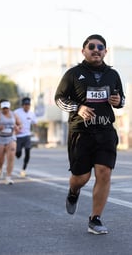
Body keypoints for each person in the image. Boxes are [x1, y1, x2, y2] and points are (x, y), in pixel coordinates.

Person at [54, 34, 125, 235]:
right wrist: (78, 108)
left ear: (105, 51)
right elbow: (59, 99)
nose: (96, 49)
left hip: (105, 131)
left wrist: (117, 100)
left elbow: (122, 100)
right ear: (83, 50)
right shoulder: (73, 74)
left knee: (104, 172)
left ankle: (95, 219)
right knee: (81, 177)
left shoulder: (113, 75)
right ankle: (73, 191)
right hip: (81, 133)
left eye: (100, 47)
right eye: (91, 46)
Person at [0, 99, 21, 185]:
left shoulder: (14, 115)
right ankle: (0, 168)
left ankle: (8, 177)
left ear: (9, 108)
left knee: (11, 158)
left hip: (11, 138)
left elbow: (20, 124)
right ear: (1, 108)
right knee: (0, 159)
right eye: (3, 108)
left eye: (7, 108)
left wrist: (18, 127)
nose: (5, 110)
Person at [14, 97, 37, 177]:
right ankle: (16, 153)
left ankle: (23, 169)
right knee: (18, 154)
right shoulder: (16, 112)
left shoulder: (31, 113)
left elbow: (35, 123)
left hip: (27, 136)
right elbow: (11, 122)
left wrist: (36, 131)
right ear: (22, 105)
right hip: (18, 136)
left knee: (28, 153)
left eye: (28, 105)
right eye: (25, 105)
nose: (27, 107)